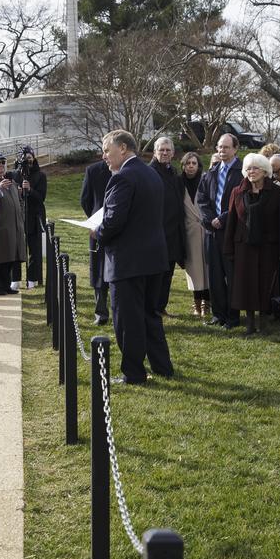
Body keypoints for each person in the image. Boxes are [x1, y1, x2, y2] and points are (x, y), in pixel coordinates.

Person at [93, 130, 173, 385]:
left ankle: (133, 373)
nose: (104, 156)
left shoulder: (123, 178)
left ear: (123, 148)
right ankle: (163, 367)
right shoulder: (151, 173)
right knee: (151, 316)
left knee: (128, 321)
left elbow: (114, 221)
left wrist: (98, 232)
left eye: (107, 150)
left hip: (128, 262)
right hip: (154, 257)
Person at [223, 153, 280, 336]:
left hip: (268, 246)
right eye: (249, 168)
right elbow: (232, 221)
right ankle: (250, 323)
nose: (252, 172)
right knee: (246, 284)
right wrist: (228, 248)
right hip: (243, 246)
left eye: (256, 168)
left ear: (265, 171)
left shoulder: (277, 193)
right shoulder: (237, 191)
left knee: (265, 283)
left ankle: (264, 322)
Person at [196, 133, 243, 328]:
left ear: (235, 149)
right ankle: (218, 314)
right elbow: (201, 199)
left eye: (226, 147)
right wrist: (209, 220)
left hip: (231, 231)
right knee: (214, 275)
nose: (222, 150)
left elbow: (240, 201)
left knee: (231, 276)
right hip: (211, 232)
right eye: (219, 147)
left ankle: (233, 317)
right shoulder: (211, 173)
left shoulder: (242, 173)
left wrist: (222, 219)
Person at [148, 137, 186, 316]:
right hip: (157, 232)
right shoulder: (149, 172)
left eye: (167, 150)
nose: (164, 153)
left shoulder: (173, 172)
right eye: (161, 150)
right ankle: (152, 307)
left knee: (168, 273)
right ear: (155, 152)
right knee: (156, 274)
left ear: (173, 153)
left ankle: (161, 307)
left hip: (173, 233)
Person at [79, 158, 112, 324]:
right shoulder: (93, 170)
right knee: (99, 269)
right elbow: (85, 199)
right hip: (97, 227)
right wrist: (94, 218)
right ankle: (101, 313)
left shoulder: (127, 170)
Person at [9, 147, 47, 289]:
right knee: (16, 248)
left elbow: (41, 198)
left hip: (34, 216)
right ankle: (15, 278)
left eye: (30, 157)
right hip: (17, 216)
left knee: (34, 250)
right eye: (25, 157)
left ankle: (32, 278)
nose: (28, 159)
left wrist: (30, 190)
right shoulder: (13, 175)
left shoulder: (40, 176)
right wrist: (17, 191)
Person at [0, 153, 26, 295]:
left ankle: (5, 285)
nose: (1, 165)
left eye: (3, 162)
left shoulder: (10, 181)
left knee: (10, 257)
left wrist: (20, 216)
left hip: (14, 226)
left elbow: (20, 202)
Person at [179, 152, 209, 317]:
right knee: (195, 270)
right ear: (183, 166)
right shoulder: (178, 183)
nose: (191, 166)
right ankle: (197, 303)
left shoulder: (205, 181)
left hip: (206, 229)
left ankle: (207, 302)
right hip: (189, 231)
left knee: (208, 268)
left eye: (194, 163)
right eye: (187, 163)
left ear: (199, 165)